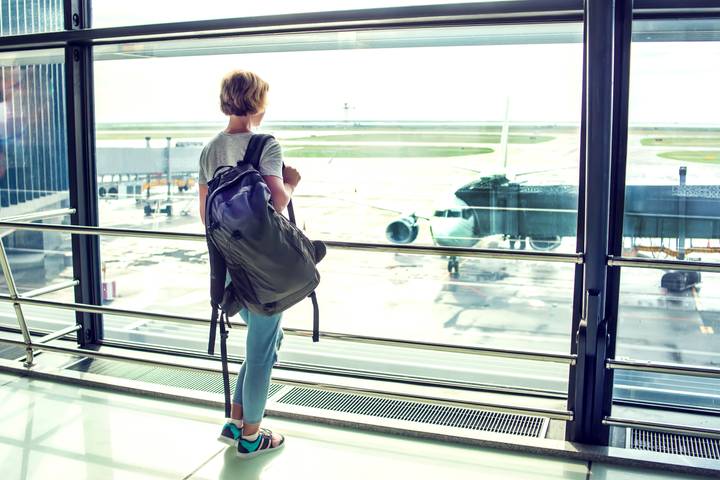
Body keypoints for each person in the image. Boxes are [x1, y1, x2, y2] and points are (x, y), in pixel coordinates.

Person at [198, 70, 300, 458]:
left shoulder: (209, 150)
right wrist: (291, 183)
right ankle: (252, 438)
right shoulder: (265, 145)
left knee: (266, 342)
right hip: (263, 267)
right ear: (259, 102)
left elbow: (206, 215)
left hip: (227, 263)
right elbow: (276, 202)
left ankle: (236, 420)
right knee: (262, 352)